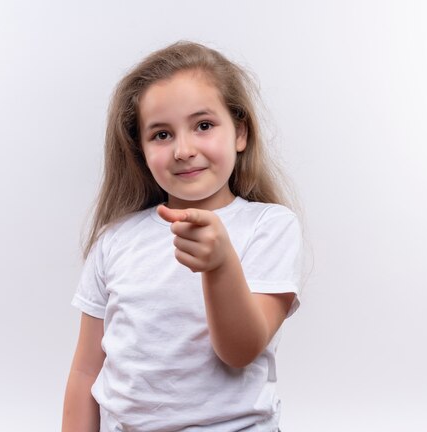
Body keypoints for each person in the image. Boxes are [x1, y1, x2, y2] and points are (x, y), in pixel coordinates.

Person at [62, 41, 304, 432]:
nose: (183, 149)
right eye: (161, 134)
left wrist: (221, 264)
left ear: (240, 133)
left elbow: (240, 351)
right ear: (140, 151)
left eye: (203, 125)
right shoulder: (116, 239)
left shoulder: (269, 226)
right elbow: (86, 370)